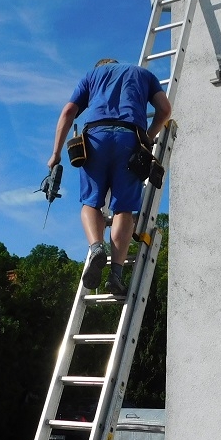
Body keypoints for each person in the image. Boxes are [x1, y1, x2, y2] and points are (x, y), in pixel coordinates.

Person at [48, 58, 172, 296]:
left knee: (91, 203)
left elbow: (68, 112)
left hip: (95, 138)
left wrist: (55, 154)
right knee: (123, 210)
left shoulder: (91, 76)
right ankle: (115, 275)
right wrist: (148, 136)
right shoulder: (143, 75)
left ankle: (96, 247)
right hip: (130, 138)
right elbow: (165, 110)